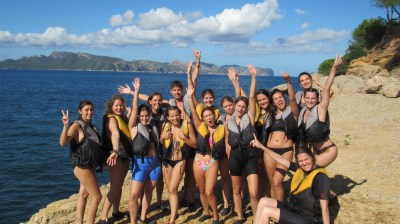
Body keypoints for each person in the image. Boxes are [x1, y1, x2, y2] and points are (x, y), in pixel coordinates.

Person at [251, 139, 330, 224]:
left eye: (306, 159)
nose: (304, 163)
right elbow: (279, 159)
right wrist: (261, 146)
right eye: (300, 161)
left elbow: (325, 208)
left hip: (309, 219)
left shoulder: (320, 177)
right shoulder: (301, 169)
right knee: (264, 201)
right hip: (296, 210)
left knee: (266, 211)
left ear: (312, 157)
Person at [120, 78, 162, 224]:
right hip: (141, 163)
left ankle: (143, 217)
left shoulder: (153, 125)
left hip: (155, 163)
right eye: (142, 116)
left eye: (147, 116)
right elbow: (136, 108)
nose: (144, 118)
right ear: (138, 116)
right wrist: (135, 91)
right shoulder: (134, 127)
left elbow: (154, 102)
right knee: (134, 195)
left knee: (148, 192)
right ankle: (133, 221)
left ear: (149, 116)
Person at [186, 73, 224, 223]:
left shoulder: (221, 129)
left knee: (209, 191)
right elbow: (194, 111)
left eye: (210, 115)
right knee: (201, 191)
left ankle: (215, 215)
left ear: (214, 116)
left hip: (212, 161)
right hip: (198, 161)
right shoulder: (200, 126)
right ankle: (206, 212)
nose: (208, 117)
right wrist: (190, 96)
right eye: (206, 116)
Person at [225, 64, 259, 224]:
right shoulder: (229, 120)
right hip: (235, 156)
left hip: (250, 155)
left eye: (243, 107)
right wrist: (234, 82)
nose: (240, 108)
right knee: (236, 189)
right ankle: (240, 215)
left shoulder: (249, 117)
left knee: (253, 192)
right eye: (238, 105)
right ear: (234, 106)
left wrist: (253, 77)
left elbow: (251, 97)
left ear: (246, 109)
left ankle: (257, 217)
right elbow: (237, 95)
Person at [59, 101, 102, 224]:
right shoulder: (77, 126)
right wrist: (66, 125)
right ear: (80, 111)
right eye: (86, 110)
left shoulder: (93, 127)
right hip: (82, 167)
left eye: (91, 110)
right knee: (97, 197)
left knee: (83, 194)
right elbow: (63, 142)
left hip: (90, 166)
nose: (90, 112)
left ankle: (79, 222)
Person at [298, 56, 342, 168]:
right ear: (304, 98)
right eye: (307, 98)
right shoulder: (303, 111)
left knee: (310, 170)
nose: (310, 100)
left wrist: (334, 67)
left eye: (313, 98)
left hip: (327, 149)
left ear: (317, 99)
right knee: (315, 177)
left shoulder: (320, 109)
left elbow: (327, 88)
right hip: (314, 149)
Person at [265, 72, 299, 202]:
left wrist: (289, 81)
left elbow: (292, 99)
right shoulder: (270, 116)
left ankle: (280, 211)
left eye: (281, 97)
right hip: (269, 152)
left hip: (285, 151)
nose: (279, 100)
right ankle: (274, 211)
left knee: (277, 181)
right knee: (272, 182)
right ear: (273, 102)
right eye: (276, 99)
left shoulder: (292, 111)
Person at [160, 106, 197, 224]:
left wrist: (184, 138)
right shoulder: (165, 126)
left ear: (180, 114)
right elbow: (161, 142)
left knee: (173, 188)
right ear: (168, 117)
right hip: (167, 160)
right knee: (170, 189)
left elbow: (195, 144)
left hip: (180, 160)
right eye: (172, 116)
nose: (175, 118)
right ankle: (174, 211)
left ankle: (172, 218)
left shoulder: (187, 125)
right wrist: (162, 137)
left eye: (177, 115)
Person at [99, 94, 131, 223]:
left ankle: (116, 211)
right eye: (117, 105)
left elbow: (124, 130)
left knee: (119, 186)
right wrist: (115, 150)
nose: (119, 107)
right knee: (114, 187)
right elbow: (116, 133)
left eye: (121, 105)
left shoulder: (121, 117)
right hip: (116, 156)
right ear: (111, 106)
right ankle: (103, 217)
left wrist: (128, 115)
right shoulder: (111, 119)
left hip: (125, 156)